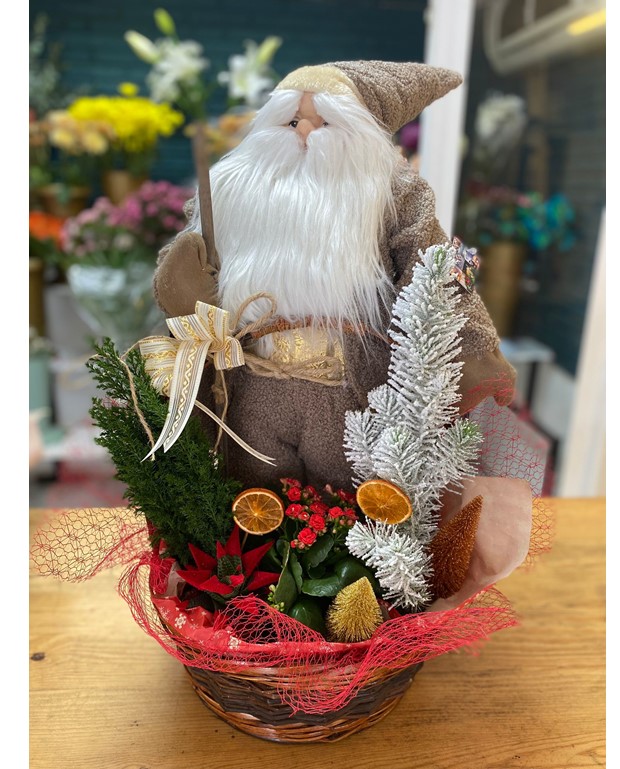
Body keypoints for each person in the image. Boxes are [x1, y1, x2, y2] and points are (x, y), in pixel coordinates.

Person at [152, 60, 516, 492]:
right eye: (292, 121)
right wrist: (184, 280)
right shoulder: (231, 190)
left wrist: (472, 349)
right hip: (251, 386)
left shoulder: (392, 193)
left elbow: (434, 267)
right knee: (250, 494)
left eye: (323, 122)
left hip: (350, 391)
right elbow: (191, 262)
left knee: (348, 496)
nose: (305, 132)